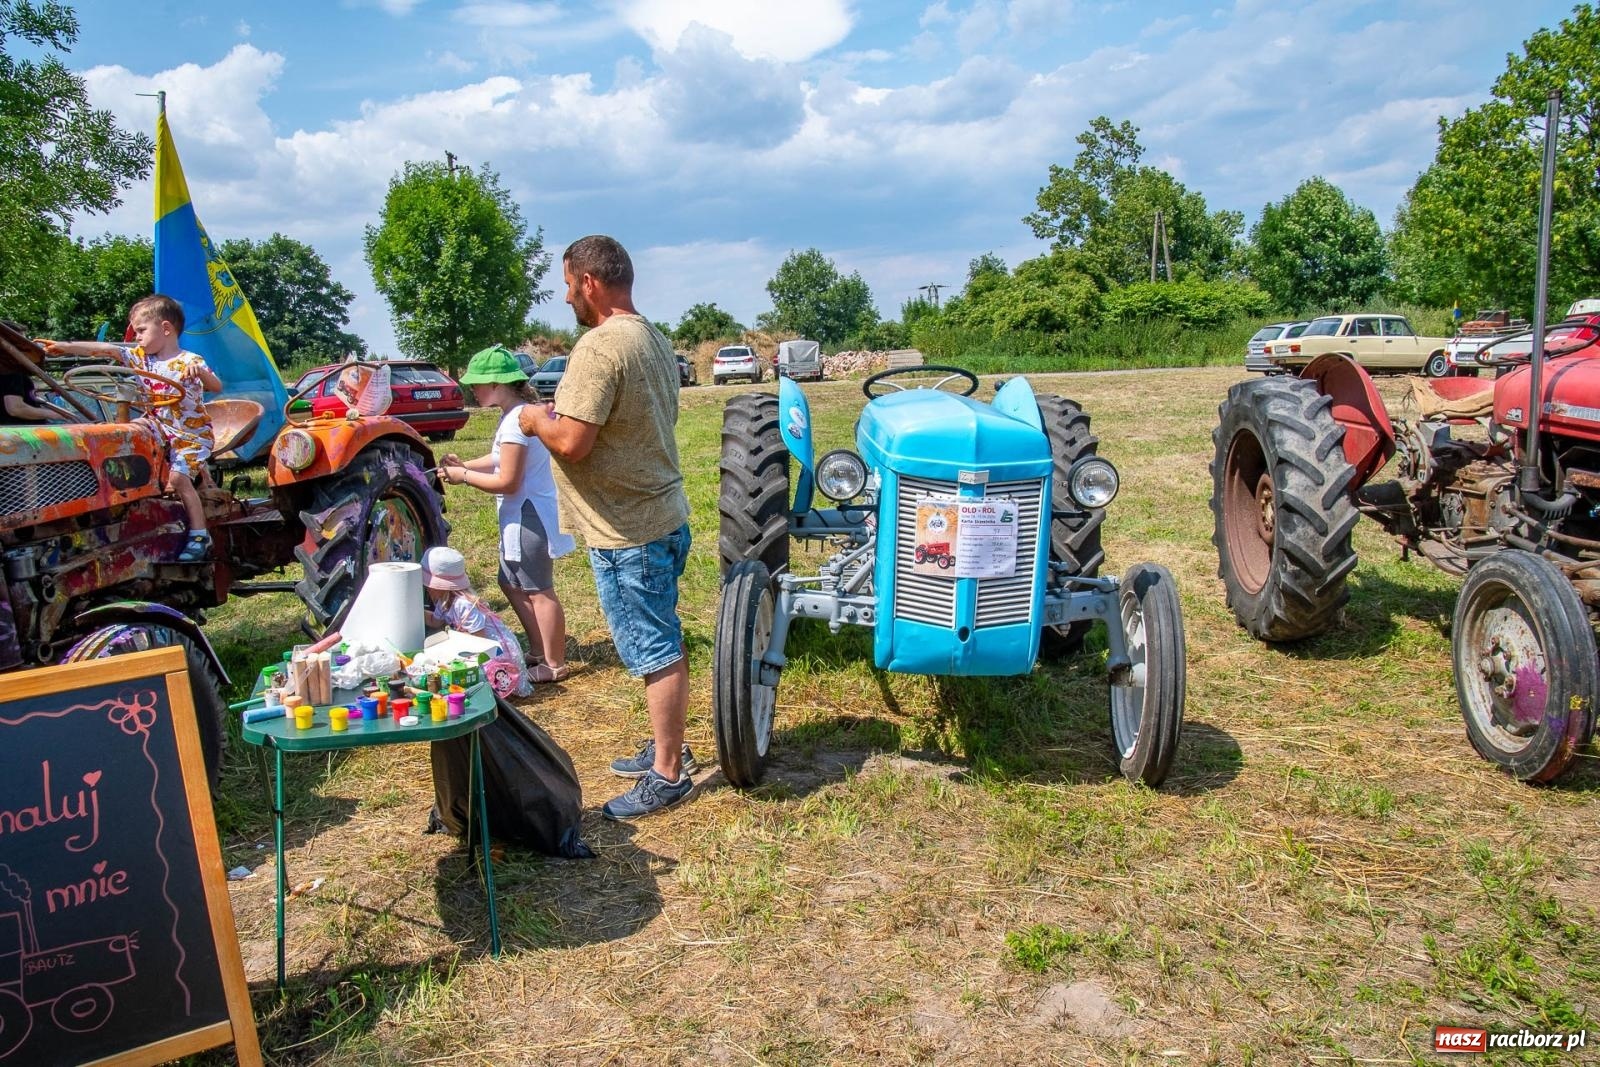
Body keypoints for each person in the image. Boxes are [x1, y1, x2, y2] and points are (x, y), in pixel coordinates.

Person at [517, 235, 695, 820]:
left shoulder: (597, 348)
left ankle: (668, 773)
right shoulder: (651, 335)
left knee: (655, 650)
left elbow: (571, 440)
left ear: (589, 282)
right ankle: (667, 746)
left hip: (629, 533)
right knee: (660, 638)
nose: (566, 296)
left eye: (568, 284)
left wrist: (532, 416)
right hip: (663, 515)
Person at [41, 295, 221, 562]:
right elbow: (102, 349)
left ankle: (199, 535)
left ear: (166, 328)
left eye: (141, 330)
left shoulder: (189, 360)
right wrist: (63, 347)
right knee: (120, 437)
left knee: (179, 479)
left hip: (190, 435)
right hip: (157, 425)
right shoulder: (140, 359)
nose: (136, 337)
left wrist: (200, 373)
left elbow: (216, 386)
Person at [439, 345, 573, 681]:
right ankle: (539, 650)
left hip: (529, 515)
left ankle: (554, 664)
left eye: (478, 384)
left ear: (498, 384)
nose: (473, 389)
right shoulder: (514, 415)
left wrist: (463, 477)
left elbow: (508, 481)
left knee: (538, 589)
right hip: (521, 514)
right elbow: (500, 457)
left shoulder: (517, 421)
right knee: (510, 582)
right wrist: (465, 465)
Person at [421, 545, 533, 697]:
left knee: (490, 679)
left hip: (492, 650)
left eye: (429, 585)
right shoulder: (444, 601)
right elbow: (435, 621)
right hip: (473, 646)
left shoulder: (463, 604)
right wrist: (414, 611)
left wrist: (452, 648)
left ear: (441, 585)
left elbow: (479, 638)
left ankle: (498, 687)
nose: (426, 588)